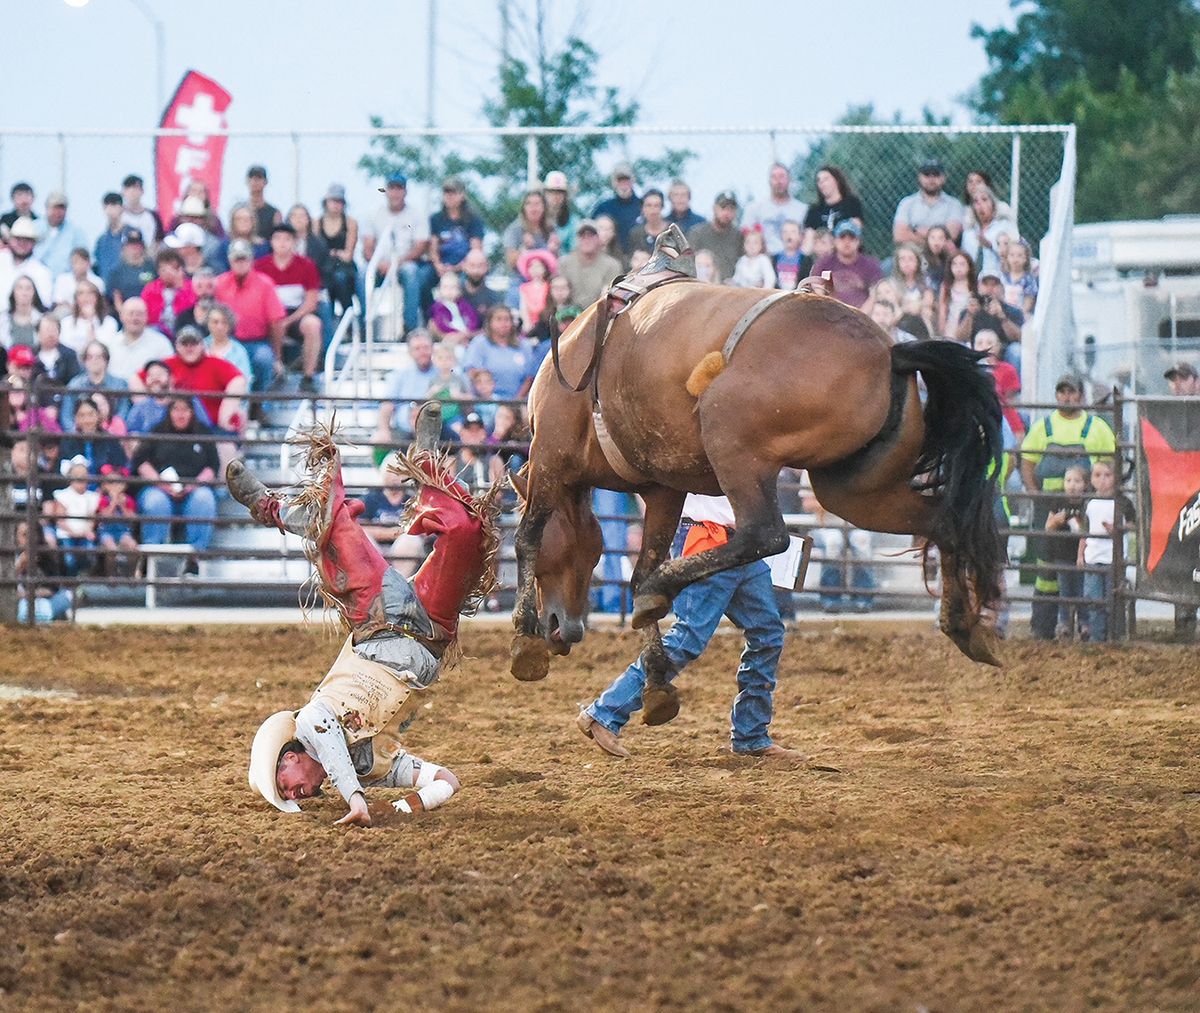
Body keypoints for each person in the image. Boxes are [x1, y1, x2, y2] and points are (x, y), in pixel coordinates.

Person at [236, 403, 497, 825]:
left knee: (339, 532)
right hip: (430, 632)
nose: (296, 792)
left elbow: (327, 731)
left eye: (284, 784)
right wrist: (390, 807)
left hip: (376, 621)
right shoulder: (369, 770)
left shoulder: (310, 722)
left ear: (288, 757)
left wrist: (355, 797)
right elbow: (446, 782)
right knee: (467, 532)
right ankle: (429, 465)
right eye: (291, 795)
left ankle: (275, 510)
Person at [576, 493, 804, 761]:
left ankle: (751, 736)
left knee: (767, 633)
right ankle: (604, 712)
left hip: (741, 540)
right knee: (689, 637)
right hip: (709, 537)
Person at [1019, 374, 1117, 640]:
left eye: (1072, 392)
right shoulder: (1043, 426)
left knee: (1087, 564)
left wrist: (1104, 494)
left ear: (1081, 396)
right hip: (1050, 508)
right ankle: (1045, 626)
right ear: (1057, 396)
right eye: (1062, 392)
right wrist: (1033, 492)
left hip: (1087, 509)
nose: (1067, 397)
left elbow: (1112, 463)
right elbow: (1026, 460)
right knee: (1048, 569)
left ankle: (1089, 626)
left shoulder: (1096, 427)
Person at [131, 396, 219, 568]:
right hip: (158, 488)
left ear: (192, 412)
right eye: (176, 409)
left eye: (185, 409)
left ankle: (195, 557)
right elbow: (141, 462)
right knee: (156, 502)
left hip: (193, 490)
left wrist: (194, 485)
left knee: (204, 499)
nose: (181, 414)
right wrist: (160, 484)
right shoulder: (157, 431)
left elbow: (212, 466)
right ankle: (151, 558)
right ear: (169, 412)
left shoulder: (203, 433)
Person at [254, 223, 323, 392]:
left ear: (294, 242)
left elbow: (311, 301)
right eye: (278, 239)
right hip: (270, 315)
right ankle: (277, 368)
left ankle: (308, 376)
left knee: (313, 324)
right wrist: (276, 319)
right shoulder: (260, 266)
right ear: (271, 242)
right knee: (274, 322)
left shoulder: (307, 265)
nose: (282, 243)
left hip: (296, 315)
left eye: (287, 239)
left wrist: (289, 320)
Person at [362, 173, 432, 334]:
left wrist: (396, 263)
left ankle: (409, 328)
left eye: (399, 188)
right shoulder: (373, 213)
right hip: (380, 265)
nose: (395, 193)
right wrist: (379, 264)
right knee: (362, 275)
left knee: (412, 272)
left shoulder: (416, 214)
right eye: (392, 188)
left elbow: (420, 246)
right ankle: (364, 327)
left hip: (403, 264)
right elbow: (367, 247)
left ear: (405, 192)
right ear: (386, 191)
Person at [213, 239, 286, 392]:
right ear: (230, 261)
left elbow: (276, 321)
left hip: (257, 342)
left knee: (264, 359)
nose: (240, 263)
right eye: (236, 259)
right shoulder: (219, 283)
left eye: (244, 258)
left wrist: (277, 357)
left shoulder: (265, 284)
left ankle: (257, 403)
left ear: (251, 260)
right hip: (227, 340)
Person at [1078, 457, 1132, 643]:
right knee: (1094, 600)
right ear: (1091, 479)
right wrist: (1080, 554)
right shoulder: (1089, 502)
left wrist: (1118, 529)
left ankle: (1115, 635)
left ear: (1116, 478)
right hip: (1093, 557)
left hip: (1114, 558)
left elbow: (1133, 524)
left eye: (1107, 475)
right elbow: (1085, 531)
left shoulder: (1123, 502)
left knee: (1114, 598)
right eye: (1097, 475)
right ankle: (1097, 637)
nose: (1102, 479)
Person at [158, 325, 247, 433]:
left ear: (202, 345)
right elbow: (139, 378)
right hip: (173, 427)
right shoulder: (167, 364)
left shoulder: (216, 363)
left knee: (225, 444)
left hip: (212, 428)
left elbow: (239, 381)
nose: (189, 348)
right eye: (184, 344)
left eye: (194, 343)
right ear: (177, 346)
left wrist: (225, 415)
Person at [1044, 463, 1089, 640]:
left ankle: (1084, 624)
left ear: (1085, 484)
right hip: (1062, 553)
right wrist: (1056, 520)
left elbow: (1088, 528)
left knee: (1081, 591)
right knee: (1064, 590)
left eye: (1077, 481)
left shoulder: (1088, 502)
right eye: (1068, 480)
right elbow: (1048, 526)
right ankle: (1064, 624)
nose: (1072, 485)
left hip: (1083, 555)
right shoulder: (1058, 501)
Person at [360, 461, 426, 577]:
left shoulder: (413, 500)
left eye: (398, 473)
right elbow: (360, 527)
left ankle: (399, 585)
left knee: (411, 540)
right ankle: (376, 582)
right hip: (377, 547)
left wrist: (397, 534)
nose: (394, 478)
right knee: (362, 538)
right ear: (383, 475)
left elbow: (420, 528)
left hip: (403, 550)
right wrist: (392, 533)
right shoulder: (370, 498)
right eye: (390, 473)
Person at [372, 329, 437, 446]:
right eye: (417, 349)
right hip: (404, 432)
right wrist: (383, 430)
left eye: (426, 347)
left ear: (433, 349)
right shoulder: (399, 375)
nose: (422, 352)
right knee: (378, 440)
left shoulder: (443, 373)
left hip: (438, 432)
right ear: (410, 352)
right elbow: (387, 406)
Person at [462, 306, 534, 401]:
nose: (503, 323)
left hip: (517, 401)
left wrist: (516, 401)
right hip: (485, 401)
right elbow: (471, 371)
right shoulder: (479, 343)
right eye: (499, 319)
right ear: (490, 322)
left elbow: (529, 377)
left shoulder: (524, 345)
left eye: (507, 319)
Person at [811, 220, 883, 309]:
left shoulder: (870, 264)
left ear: (858, 241)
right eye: (842, 237)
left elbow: (875, 295)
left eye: (851, 238)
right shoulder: (824, 264)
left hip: (861, 315)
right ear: (835, 241)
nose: (847, 242)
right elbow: (818, 293)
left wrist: (860, 316)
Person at [892, 160, 964, 246]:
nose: (931, 179)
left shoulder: (954, 204)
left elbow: (951, 236)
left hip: (942, 256)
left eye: (936, 174)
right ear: (919, 177)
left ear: (943, 178)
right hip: (913, 255)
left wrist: (916, 231)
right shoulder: (906, 203)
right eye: (926, 174)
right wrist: (936, 237)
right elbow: (899, 236)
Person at [743, 163, 809, 257]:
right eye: (774, 177)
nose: (778, 181)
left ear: (789, 180)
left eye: (782, 177)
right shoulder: (754, 209)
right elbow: (746, 237)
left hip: (794, 262)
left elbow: (807, 239)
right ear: (769, 181)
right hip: (765, 260)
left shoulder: (803, 209)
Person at [104, 296, 173, 383]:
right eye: (130, 313)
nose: (135, 318)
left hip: (149, 395)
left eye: (139, 314)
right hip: (115, 394)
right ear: (121, 316)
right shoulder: (110, 343)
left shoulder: (161, 343)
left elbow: (169, 377)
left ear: (147, 317)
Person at [15, 521, 72, 624]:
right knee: (23, 611)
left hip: (44, 597)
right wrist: (19, 566)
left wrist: (31, 594)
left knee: (66, 597)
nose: (27, 539)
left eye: (30, 534)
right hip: (20, 600)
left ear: (38, 535)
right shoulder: (10, 556)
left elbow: (54, 587)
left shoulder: (47, 555)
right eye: (22, 535)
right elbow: (7, 586)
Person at [61, 340, 129, 427]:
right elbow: (67, 417)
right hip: (80, 437)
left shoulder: (120, 385)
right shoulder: (74, 385)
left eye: (98, 357)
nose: (94, 361)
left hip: (111, 436)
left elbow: (123, 414)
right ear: (84, 361)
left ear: (106, 360)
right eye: (89, 357)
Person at [557, 219, 623, 308]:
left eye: (591, 236)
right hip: (569, 314)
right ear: (577, 239)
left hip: (599, 313)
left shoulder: (612, 265)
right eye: (582, 236)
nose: (586, 240)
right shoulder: (564, 263)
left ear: (598, 238)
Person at [429, 176, 484, 281]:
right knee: (423, 277)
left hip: (464, 266)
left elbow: (476, 250)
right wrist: (438, 265)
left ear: (462, 195)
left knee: (467, 278)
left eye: (453, 192)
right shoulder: (435, 219)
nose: (449, 196)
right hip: (441, 266)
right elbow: (433, 248)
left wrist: (456, 268)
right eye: (446, 192)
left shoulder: (473, 220)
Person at [50, 457, 99, 575]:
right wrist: (73, 532)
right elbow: (60, 519)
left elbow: (92, 517)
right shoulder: (63, 495)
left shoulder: (92, 497)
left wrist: (87, 530)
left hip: (85, 534)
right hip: (67, 534)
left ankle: (85, 581)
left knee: (90, 555)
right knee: (69, 560)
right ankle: (69, 585)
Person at [315, 183, 358, 313]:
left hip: (344, 267)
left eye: (339, 201)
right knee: (325, 281)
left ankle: (348, 316)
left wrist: (332, 253)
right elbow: (316, 251)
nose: (336, 204)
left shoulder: (350, 223)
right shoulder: (317, 222)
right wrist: (335, 253)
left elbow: (348, 255)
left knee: (340, 278)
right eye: (333, 200)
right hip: (324, 267)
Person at [960, 186, 1019, 279]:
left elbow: (1016, 252)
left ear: (993, 203)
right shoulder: (968, 233)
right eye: (976, 201)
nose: (980, 205)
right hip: (974, 282)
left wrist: (991, 246)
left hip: (1001, 279)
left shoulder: (1005, 225)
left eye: (984, 200)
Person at [59, 396, 127, 476]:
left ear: (98, 415)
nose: (87, 420)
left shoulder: (110, 439)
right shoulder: (68, 441)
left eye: (90, 414)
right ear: (76, 418)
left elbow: (120, 467)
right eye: (82, 415)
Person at [802, 165, 864, 250]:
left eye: (826, 179)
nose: (822, 183)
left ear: (837, 180)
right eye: (819, 181)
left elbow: (856, 229)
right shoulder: (814, 210)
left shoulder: (851, 203)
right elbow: (809, 238)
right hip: (823, 256)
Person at [974, 329, 1023, 437]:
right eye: (980, 343)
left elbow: (1010, 400)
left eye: (990, 343)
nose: (985, 347)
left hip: (1002, 415)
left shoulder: (1008, 369)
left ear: (998, 347)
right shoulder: (969, 370)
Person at [686, 191, 744, 280]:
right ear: (714, 208)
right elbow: (687, 264)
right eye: (723, 208)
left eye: (731, 209)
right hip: (703, 285)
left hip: (731, 287)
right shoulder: (697, 233)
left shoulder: (738, 236)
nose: (727, 213)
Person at [140, 249, 196, 339]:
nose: (169, 273)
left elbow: (191, 311)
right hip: (158, 330)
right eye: (164, 269)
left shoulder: (190, 287)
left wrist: (180, 288)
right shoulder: (150, 289)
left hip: (183, 328)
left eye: (173, 268)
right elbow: (146, 314)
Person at [95, 464, 140, 576]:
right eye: (111, 483)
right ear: (105, 485)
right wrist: (113, 503)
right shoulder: (103, 500)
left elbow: (132, 518)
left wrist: (123, 505)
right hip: (107, 532)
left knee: (132, 546)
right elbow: (104, 517)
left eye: (118, 483)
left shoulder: (128, 500)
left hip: (123, 532)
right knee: (111, 549)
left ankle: (130, 574)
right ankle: (112, 575)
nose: (115, 486)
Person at [0, 217, 54, 307]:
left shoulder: (42, 272)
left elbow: (44, 304)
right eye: (18, 239)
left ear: (33, 243)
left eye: (27, 240)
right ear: (10, 240)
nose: (22, 243)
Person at [34, 192, 89, 278]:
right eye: (54, 208)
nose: (58, 212)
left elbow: (85, 259)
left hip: (65, 281)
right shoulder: (34, 227)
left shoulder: (76, 232)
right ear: (47, 208)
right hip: (37, 279)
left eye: (61, 208)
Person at [591, 163, 641, 255]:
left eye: (626, 180)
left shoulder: (643, 206)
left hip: (639, 259)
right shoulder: (603, 207)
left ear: (633, 181)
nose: (623, 185)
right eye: (620, 181)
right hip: (610, 257)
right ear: (614, 182)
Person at [105, 227, 156, 310]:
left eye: (137, 244)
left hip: (150, 312)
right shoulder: (116, 271)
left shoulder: (152, 267)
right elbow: (115, 297)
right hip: (125, 315)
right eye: (131, 245)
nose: (135, 248)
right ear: (124, 247)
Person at [202, 302, 253, 381]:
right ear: (208, 323)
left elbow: (245, 381)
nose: (220, 327)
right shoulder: (200, 347)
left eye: (224, 322)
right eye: (215, 322)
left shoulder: (239, 351)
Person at [428, 271, 481, 346]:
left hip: (466, 333)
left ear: (459, 290)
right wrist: (456, 333)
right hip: (450, 335)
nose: (449, 291)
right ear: (439, 289)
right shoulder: (438, 306)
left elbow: (472, 317)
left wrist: (467, 332)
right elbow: (442, 322)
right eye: (445, 287)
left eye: (453, 287)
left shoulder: (463, 304)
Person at [937, 250, 977, 340]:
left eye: (962, 264)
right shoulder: (946, 286)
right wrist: (942, 329)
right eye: (954, 264)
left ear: (969, 267)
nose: (958, 268)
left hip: (967, 325)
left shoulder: (974, 286)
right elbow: (942, 308)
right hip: (950, 326)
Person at [516, 248, 556, 335]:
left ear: (545, 268)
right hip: (530, 324)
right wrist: (527, 323)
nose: (535, 269)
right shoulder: (524, 288)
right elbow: (523, 307)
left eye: (538, 266)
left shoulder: (549, 285)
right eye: (531, 266)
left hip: (545, 322)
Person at [0, 276, 46, 349]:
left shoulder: (43, 320)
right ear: (13, 292)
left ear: (34, 293)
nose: (24, 293)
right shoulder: (2, 319)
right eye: (20, 288)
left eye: (28, 289)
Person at [120, 174, 164, 247]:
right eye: (128, 188)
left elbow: (160, 240)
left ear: (142, 191)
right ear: (123, 192)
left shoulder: (153, 216)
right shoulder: (119, 216)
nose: (132, 192)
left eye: (135, 188)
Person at [626, 189, 671, 259]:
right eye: (648, 205)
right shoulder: (636, 233)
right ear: (642, 208)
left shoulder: (673, 231)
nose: (653, 210)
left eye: (656, 205)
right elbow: (630, 259)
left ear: (662, 207)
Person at [542, 170, 579, 254]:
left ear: (565, 196)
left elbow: (575, 251)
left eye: (560, 192)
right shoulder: (536, 218)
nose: (555, 196)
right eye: (551, 192)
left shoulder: (574, 222)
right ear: (545, 194)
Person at [93, 192, 127, 281]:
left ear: (122, 208)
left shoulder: (132, 235)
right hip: (107, 288)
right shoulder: (101, 240)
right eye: (107, 206)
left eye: (114, 205)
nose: (111, 210)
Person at [459, 249, 501, 318]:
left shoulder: (494, 299)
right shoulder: (454, 292)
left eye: (481, 266)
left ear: (487, 267)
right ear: (464, 266)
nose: (476, 271)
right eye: (472, 265)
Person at [1001, 238, 1038, 316]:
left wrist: (1021, 315)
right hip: (1003, 314)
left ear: (1026, 258)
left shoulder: (1028, 279)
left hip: (1020, 315)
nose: (1015, 259)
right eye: (1012, 255)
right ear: (1007, 257)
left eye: (1020, 255)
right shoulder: (1002, 277)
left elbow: (1029, 300)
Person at [244, 165, 282, 240]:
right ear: (247, 181)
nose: (255, 181)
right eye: (252, 178)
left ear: (265, 182)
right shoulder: (240, 210)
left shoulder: (274, 213)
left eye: (259, 178)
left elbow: (278, 237)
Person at [773, 221, 811, 292]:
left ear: (800, 236)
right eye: (785, 232)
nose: (788, 235)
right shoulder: (773, 259)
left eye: (793, 232)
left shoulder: (807, 260)